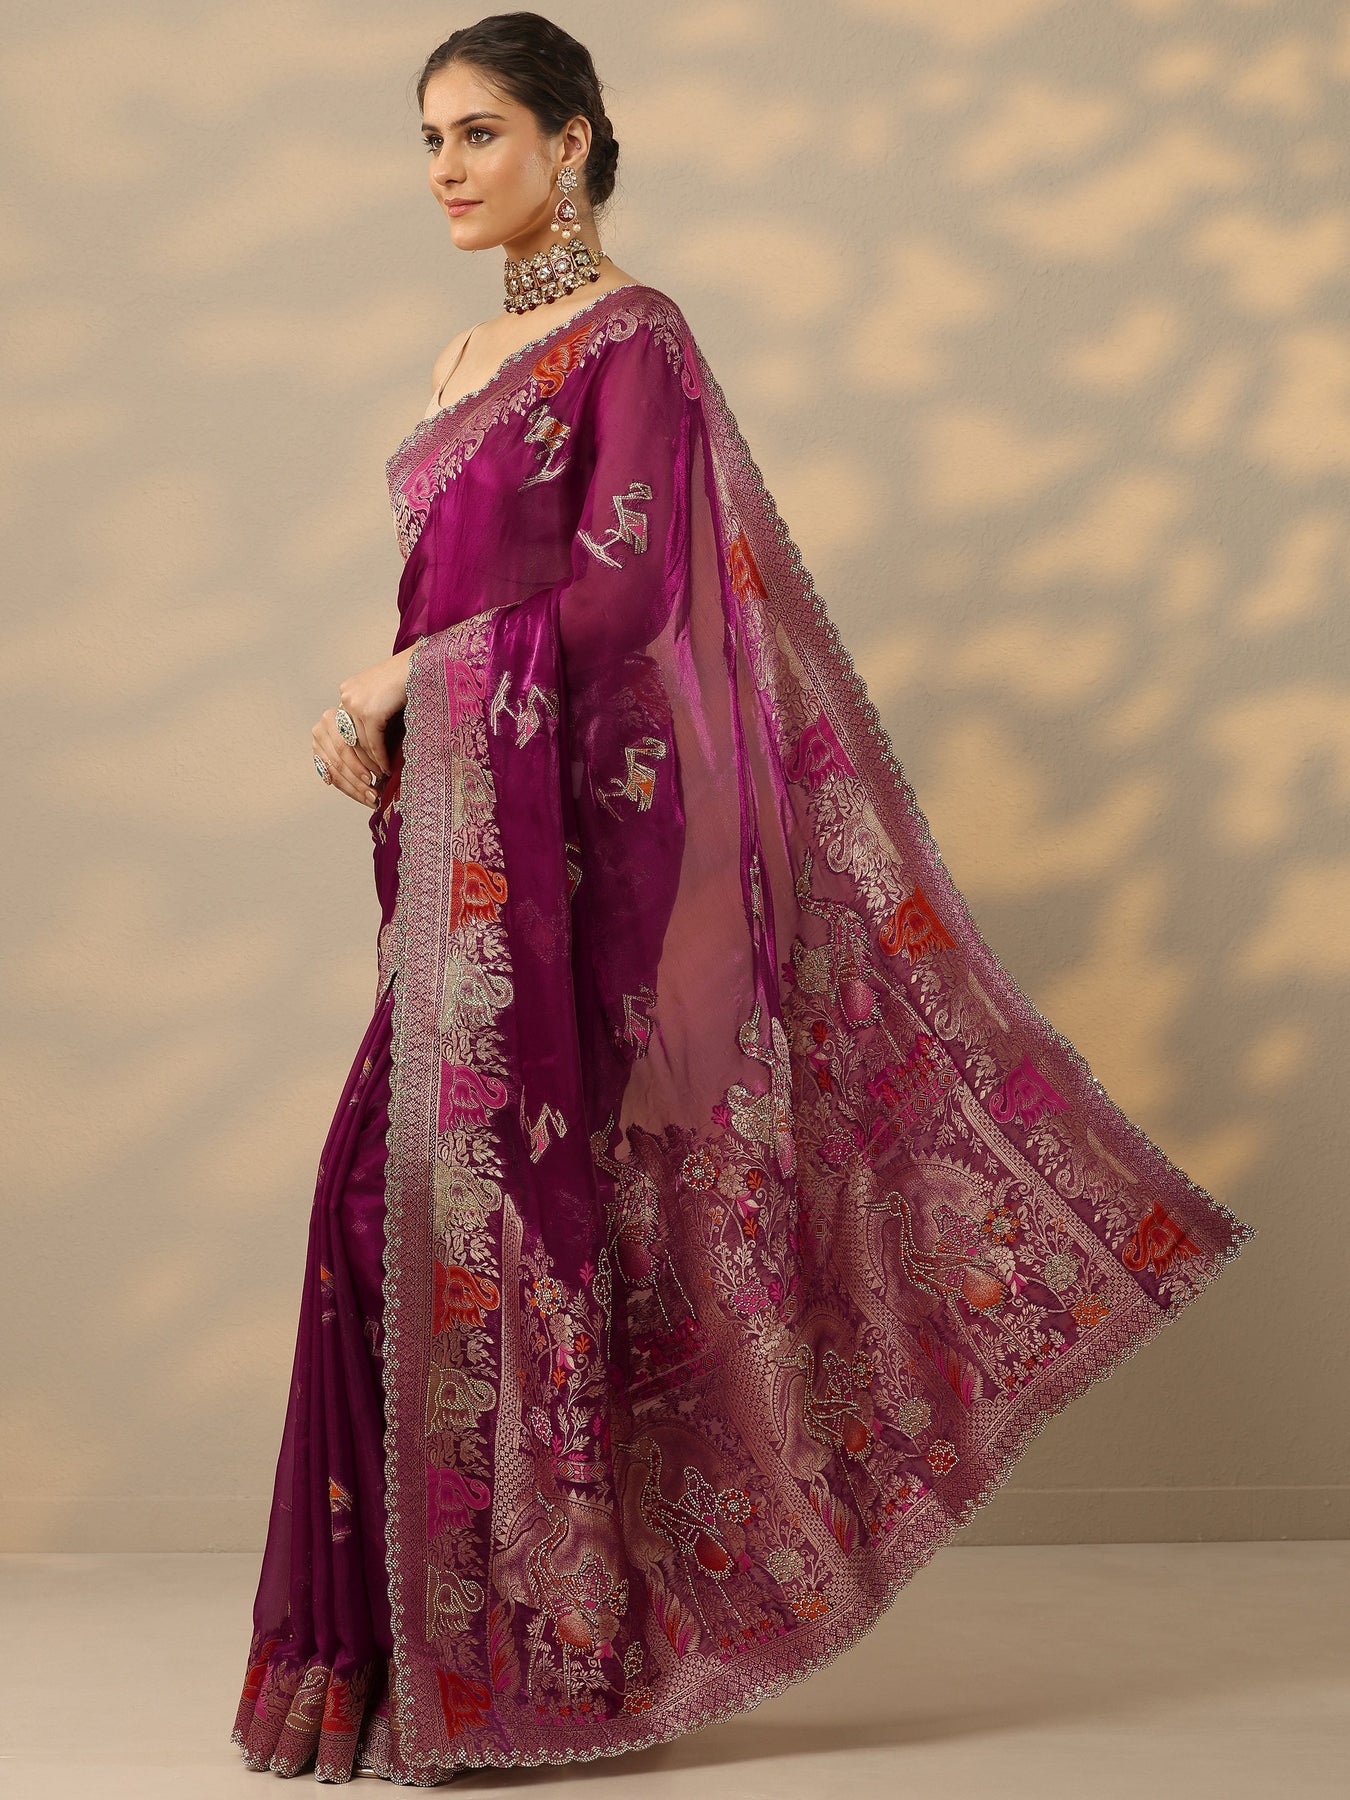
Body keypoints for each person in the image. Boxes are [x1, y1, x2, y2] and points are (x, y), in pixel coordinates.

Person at [230, 12, 1257, 1787]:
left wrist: (407, 683)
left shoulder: (633, 340)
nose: (447, 171)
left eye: (480, 134)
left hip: (592, 876)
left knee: (540, 1227)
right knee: (391, 1219)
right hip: (470, 863)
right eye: (429, 140)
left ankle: (542, 1653)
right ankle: (408, 1666)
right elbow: (462, 605)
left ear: (571, 141)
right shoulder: (463, 352)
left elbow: (626, 603)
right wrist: (386, 733)